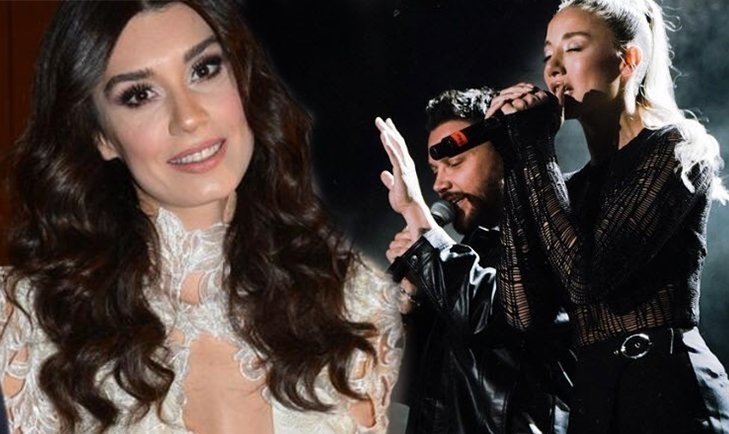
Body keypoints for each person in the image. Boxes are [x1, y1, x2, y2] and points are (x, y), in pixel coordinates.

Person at [0, 1, 403, 433]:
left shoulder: (361, 301)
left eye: (204, 69)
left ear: (242, 79)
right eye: (139, 95)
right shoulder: (19, 321)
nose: (189, 117)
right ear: (100, 136)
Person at [485, 0, 729, 432]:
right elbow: (523, 313)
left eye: (573, 48)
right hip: (594, 396)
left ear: (628, 60)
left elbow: (586, 277)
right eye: (547, 55)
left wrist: (536, 150)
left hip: (667, 388)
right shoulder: (571, 189)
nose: (553, 69)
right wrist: (516, 164)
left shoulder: (677, 150)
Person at [376, 88, 573, 434]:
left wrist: (416, 215)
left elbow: (495, 316)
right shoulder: (457, 259)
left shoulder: (554, 234)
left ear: (504, 150)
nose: (440, 184)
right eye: (434, 170)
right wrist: (410, 297)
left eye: (454, 163)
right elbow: (410, 387)